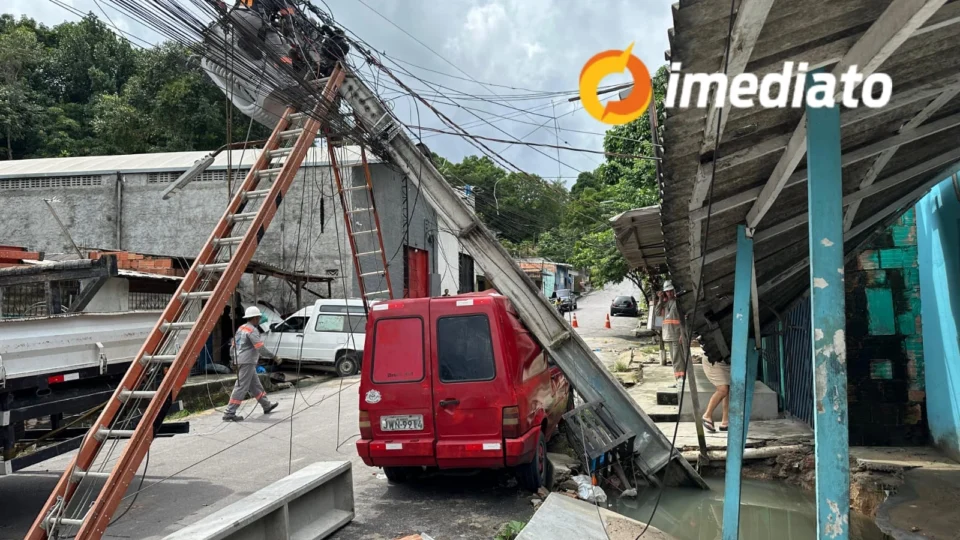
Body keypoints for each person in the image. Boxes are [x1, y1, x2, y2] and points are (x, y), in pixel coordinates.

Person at [223, 306, 280, 422]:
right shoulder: (253, 330)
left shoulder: (241, 328)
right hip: (247, 361)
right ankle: (229, 412)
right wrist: (273, 356)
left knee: (255, 385)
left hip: (241, 360)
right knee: (241, 386)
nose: (259, 319)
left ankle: (266, 405)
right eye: (258, 317)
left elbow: (233, 345)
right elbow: (260, 348)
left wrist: (233, 359)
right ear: (255, 318)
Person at [658, 281, 684, 387]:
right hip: (668, 335)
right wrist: (660, 299)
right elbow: (656, 313)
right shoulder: (665, 303)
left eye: (670, 291)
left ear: (674, 291)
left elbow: (684, 319)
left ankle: (681, 381)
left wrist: (683, 334)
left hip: (676, 335)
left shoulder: (678, 303)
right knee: (674, 360)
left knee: (678, 359)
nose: (669, 293)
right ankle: (678, 380)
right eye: (667, 291)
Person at [701, 357, 731, 432]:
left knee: (728, 388)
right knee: (723, 389)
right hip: (713, 359)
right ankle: (707, 415)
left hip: (726, 361)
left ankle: (725, 421)